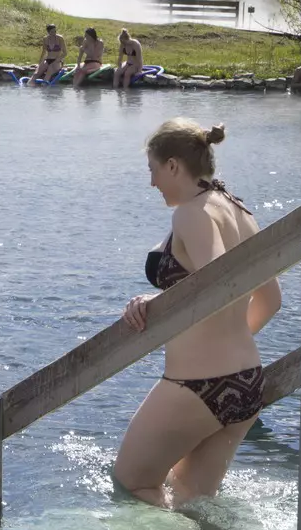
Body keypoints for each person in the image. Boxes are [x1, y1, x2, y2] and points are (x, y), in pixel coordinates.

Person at [115, 119, 282, 507]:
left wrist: (152, 304)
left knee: (133, 484)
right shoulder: (239, 210)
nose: (152, 182)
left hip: (197, 384)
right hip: (245, 382)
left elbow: (218, 284)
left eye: (153, 170)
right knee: (190, 498)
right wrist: (225, 346)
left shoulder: (190, 213)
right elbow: (270, 299)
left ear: (173, 165)